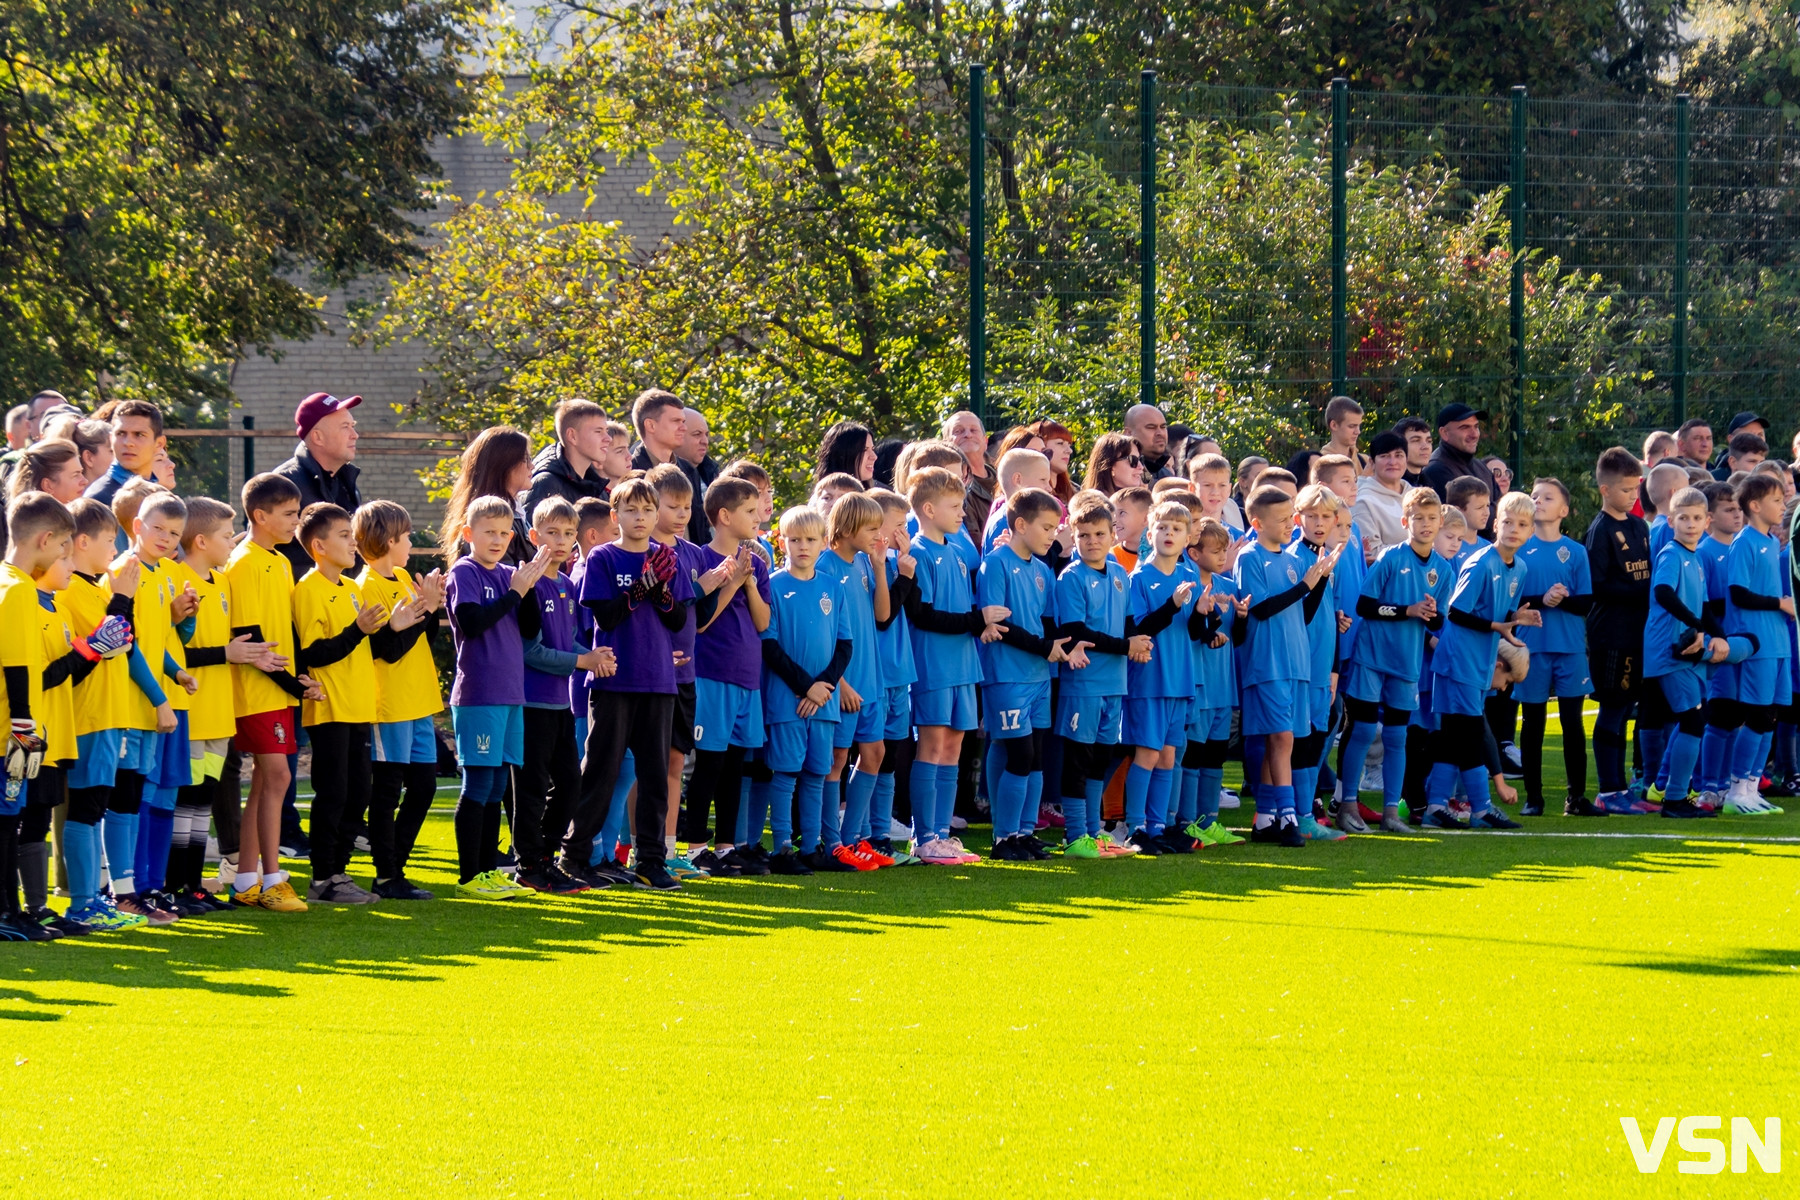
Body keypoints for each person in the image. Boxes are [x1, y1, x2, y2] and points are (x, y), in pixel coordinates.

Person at [567, 475, 693, 891]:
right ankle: (576, 856)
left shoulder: (666, 556)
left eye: (647, 510)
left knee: (655, 776)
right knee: (600, 770)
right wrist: (640, 589)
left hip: (659, 680)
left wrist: (661, 594)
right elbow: (605, 617)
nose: (640, 518)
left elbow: (677, 620)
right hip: (614, 681)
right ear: (615, 514)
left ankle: (652, 860)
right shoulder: (603, 557)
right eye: (631, 510)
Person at [445, 495, 551, 899]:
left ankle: (488, 872)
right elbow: (472, 623)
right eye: (489, 531)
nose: (498, 539)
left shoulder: (511, 573)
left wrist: (527, 588)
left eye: (505, 532)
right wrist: (513, 593)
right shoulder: (465, 572)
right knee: (477, 785)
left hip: (510, 695)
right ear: (469, 534)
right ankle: (470, 876)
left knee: (495, 788)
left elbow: (529, 629)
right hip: (479, 694)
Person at [1419, 492, 1539, 830]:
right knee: (1468, 733)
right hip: (1458, 660)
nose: (1514, 529)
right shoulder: (1481, 561)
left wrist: (1515, 619)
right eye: (1508, 522)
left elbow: (1498, 613)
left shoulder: (1521, 567)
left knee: (1456, 736)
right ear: (1495, 524)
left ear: (1530, 531)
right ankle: (1481, 809)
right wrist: (1498, 625)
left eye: (1523, 524)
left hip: (1479, 662)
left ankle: (1437, 807)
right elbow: (1456, 612)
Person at [904, 466, 1004, 864]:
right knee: (931, 746)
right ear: (928, 509)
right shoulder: (918, 553)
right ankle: (922, 837)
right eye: (955, 506)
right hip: (933, 666)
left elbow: (962, 611)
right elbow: (924, 615)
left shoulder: (956, 552)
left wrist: (981, 627)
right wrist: (976, 621)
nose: (963, 513)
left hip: (963, 665)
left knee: (954, 747)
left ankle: (942, 835)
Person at [224, 473, 316, 911]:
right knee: (278, 777)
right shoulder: (242, 562)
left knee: (265, 782)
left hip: (278, 690)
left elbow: (286, 630)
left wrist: (298, 680)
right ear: (260, 516)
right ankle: (273, 877)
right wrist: (289, 683)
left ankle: (246, 880)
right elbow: (249, 635)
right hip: (255, 691)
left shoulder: (279, 561)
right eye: (289, 514)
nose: (296, 521)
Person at [515, 497, 614, 894]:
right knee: (532, 788)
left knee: (571, 784)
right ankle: (528, 864)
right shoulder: (527, 584)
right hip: (531, 702)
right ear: (533, 536)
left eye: (568, 533)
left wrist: (595, 655)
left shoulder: (568, 585)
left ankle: (547, 859)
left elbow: (571, 640)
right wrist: (582, 661)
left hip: (559, 703)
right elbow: (531, 651)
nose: (560, 541)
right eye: (551, 533)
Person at [1337, 486, 1447, 833]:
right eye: (1418, 518)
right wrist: (1407, 610)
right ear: (1405, 521)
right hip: (1372, 656)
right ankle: (1348, 806)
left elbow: (1440, 620)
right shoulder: (1391, 558)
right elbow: (1365, 606)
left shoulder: (1443, 569)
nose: (1426, 524)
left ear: (1441, 522)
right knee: (1366, 729)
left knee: (1398, 737)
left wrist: (1429, 615)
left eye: (1432, 518)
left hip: (1407, 661)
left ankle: (1390, 813)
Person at [291, 502, 386, 904]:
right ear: (319, 546)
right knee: (333, 793)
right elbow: (315, 653)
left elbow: (369, 642)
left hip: (360, 706)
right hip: (329, 707)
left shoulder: (351, 588)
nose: (354, 542)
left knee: (358, 794)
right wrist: (358, 629)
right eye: (344, 536)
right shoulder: (308, 589)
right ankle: (323, 878)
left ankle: (340, 873)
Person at [354, 501, 446, 900]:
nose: (411, 542)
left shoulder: (406, 577)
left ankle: (397, 869)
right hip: (388, 704)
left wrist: (431, 610)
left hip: (419, 701)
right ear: (389, 540)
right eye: (407, 536)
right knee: (388, 790)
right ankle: (386, 875)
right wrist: (421, 612)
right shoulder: (366, 586)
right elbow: (387, 650)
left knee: (424, 787)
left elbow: (425, 639)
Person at [646, 462, 733, 879]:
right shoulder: (644, 550)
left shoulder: (694, 553)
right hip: (650, 673)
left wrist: (724, 585)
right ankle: (635, 847)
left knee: (677, 761)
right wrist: (705, 586)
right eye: (673, 506)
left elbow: (697, 619)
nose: (682, 514)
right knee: (646, 764)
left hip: (686, 673)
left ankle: (667, 848)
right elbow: (667, 607)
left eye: (687, 506)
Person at [1235, 483, 1335, 845]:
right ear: (1256, 522)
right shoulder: (1249, 557)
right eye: (1282, 519)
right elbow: (1260, 607)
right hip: (1268, 663)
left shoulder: (1294, 561)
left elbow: (1303, 612)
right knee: (1282, 738)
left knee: (1280, 739)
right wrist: (1305, 586)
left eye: (1291, 516)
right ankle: (1288, 816)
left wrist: (1319, 581)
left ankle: (1264, 819)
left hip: (1295, 664)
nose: (1290, 523)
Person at [682, 476, 772, 877]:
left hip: (746, 678)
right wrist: (729, 582)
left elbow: (763, 621)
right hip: (712, 675)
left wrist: (749, 583)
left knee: (736, 765)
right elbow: (699, 625)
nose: (758, 517)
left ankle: (725, 847)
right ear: (724, 515)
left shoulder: (757, 561)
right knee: (710, 764)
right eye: (750, 511)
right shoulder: (700, 560)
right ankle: (696, 847)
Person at [978, 488, 1073, 860]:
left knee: (1033, 757)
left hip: (1038, 674)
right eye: (1047, 527)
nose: (1053, 535)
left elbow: (1047, 622)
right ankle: (1004, 838)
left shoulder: (1043, 569)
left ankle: (1023, 832)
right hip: (1007, 674)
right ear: (1020, 524)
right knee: (1018, 753)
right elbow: (999, 623)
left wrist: (1061, 648)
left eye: (1055, 527)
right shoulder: (996, 563)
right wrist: (1045, 648)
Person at [760, 505, 853, 873]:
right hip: (788, 701)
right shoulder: (773, 584)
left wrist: (823, 687)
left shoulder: (832, 587)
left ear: (823, 543)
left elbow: (845, 644)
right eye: (794, 539)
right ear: (782, 542)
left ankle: (812, 846)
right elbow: (770, 645)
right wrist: (805, 688)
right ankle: (782, 847)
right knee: (785, 773)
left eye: (810, 539)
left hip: (824, 702)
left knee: (817, 772)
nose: (802, 546)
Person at [1052, 493, 1141, 858]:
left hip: (1113, 683)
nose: (1092, 541)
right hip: (1084, 684)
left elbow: (1129, 622)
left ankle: (1093, 833)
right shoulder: (1071, 577)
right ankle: (1075, 836)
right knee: (1079, 759)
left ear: (1113, 535)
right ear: (1074, 535)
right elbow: (1076, 631)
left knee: (1100, 760)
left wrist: (1140, 644)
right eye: (1084, 535)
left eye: (1099, 534)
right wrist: (1127, 646)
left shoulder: (1120, 574)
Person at [1702, 472, 1792, 816]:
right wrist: (1779, 604)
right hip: (1757, 644)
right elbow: (1737, 593)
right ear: (1755, 506)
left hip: (1779, 641)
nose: (1783, 506)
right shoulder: (1745, 541)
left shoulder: (1771, 542)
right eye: (1776, 500)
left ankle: (1752, 788)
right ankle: (1736, 789)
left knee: (1770, 716)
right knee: (1755, 716)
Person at [0, 492, 67, 940]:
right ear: (44, 539)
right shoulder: (21, 588)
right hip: (9, 731)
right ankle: (8, 914)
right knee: (6, 824)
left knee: (9, 823)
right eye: (63, 547)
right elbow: (18, 663)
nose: (64, 555)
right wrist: (23, 724)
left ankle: (13, 909)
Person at [816, 493, 892, 870]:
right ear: (846, 529)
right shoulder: (824, 566)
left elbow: (882, 616)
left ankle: (853, 838)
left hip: (871, 679)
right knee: (837, 758)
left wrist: (879, 567)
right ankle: (831, 841)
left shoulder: (865, 562)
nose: (879, 535)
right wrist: (839, 682)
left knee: (874, 753)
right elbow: (823, 632)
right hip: (842, 683)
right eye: (872, 528)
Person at [1119, 499, 1199, 854]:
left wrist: (1209, 616)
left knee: (1168, 756)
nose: (1169, 534)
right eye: (1163, 528)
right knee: (1147, 754)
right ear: (1150, 533)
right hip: (1150, 679)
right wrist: (1173, 606)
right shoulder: (1139, 578)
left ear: (1187, 538)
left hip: (1180, 678)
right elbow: (1140, 629)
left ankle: (1158, 825)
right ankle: (1135, 827)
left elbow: (1193, 631)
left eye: (1177, 529)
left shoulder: (1189, 577)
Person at [1644, 486, 1728, 819]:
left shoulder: (1695, 558)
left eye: (1696, 518)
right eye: (1683, 518)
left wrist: (1720, 636)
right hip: (1670, 650)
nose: (1690, 524)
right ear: (1670, 520)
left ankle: (1670, 790)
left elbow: (1704, 606)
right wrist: (1697, 625)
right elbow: (1663, 592)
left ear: (1707, 521)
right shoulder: (1671, 553)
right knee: (1692, 721)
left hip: (1689, 651)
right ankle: (1674, 799)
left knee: (1692, 719)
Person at [1514, 478, 1594, 817]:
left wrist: (1561, 600)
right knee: (1532, 723)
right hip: (1531, 647)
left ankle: (1575, 798)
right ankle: (1534, 798)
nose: (1539, 501)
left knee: (1572, 723)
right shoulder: (1519, 549)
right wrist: (1542, 600)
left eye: (1547, 497)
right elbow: (1513, 599)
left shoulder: (1576, 552)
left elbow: (1586, 602)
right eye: (1534, 496)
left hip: (1570, 647)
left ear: (1564, 510)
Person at [1584, 447, 1651, 815]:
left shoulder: (1639, 526)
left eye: (1636, 489)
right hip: (1611, 635)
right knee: (1612, 708)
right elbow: (1598, 586)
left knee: (1627, 707)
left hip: (1638, 633)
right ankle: (1608, 790)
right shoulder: (1600, 531)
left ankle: (1623, 787)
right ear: (1606, 490)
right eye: (1626, 490)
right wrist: (1643, 591)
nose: (1633, 496)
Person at [1287, 485, 1349, 841]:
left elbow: (1328, 617)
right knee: (1302, 739)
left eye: (1327, 516)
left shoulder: (1327, 559)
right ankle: (1300, 814)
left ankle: (1305, 814)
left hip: (1322, 667)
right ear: (1299, 519)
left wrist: (1335, 670)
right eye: (1313, 516)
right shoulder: (1297, 559)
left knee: (1315, 737)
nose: (1320, 523)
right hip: (1300, 665)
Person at [272, 392, 362, 580]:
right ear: (318, 437)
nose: (355, 435)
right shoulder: (284, 483)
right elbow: (264, 553)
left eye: (353, 426)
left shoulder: (347, 482)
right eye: (345, 427)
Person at [440, 426, 534, 568]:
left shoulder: (517, 513)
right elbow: (501, 582)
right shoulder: (485, 519)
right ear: (504, 465)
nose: (532, 466)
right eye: (525, 459)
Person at [630, 388, 710, 543]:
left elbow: (700, 529)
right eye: (676, 421)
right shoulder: (631, 473)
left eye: (683, 421)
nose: (684, 427)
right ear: (651, 426)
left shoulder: (689, 470)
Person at [83, 400, 164, 550]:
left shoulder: (160, 494)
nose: (128, 442)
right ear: (110, 438)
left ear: (159, 444)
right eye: (121, 434)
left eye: (139, 435)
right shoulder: (99, 500)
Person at [523, 398, 612, 516]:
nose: (608, 439)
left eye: (606, 431)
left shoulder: (597, 488)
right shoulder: (546, 484)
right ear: (572, 436)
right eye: (598, 431)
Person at [1419, 403, 1498, 533]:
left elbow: (1504, 509)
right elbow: (1457, 519)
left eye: (1476, 427)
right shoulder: (1436, 470)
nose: (1474, 434)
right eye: (1465, 427)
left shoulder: (1481, 467)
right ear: (1444, 433)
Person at [942, 410, 996, 546]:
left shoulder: (1005, 477)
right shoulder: (947, 487)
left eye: (973, 430)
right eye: (958, 431)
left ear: (985, 441)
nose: (967, 435)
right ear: (946, 442)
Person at [1354, 430, 1410, 554]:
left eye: (1398, 455)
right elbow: (1372, 553)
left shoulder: (1418, 496)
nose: (1393, 462)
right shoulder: (1363, 501)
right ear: (1372, 463)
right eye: (1384, 456)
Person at [1027, 419, 1077, 503]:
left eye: (1069, 445)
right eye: (1060, 443)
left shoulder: (1075, 491)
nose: (1069, 450)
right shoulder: (1032, 494)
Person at [815, 421, 877, 489]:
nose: (874, 457)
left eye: (872, 449)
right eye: (864, 449)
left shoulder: (875, 497)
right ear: (842, 455)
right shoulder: (826, 497)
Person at [1121, 403, 1173, 480]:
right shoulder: (1122, 475)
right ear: (1128, 433)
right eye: (1151, 427)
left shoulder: (1165, 474)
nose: (1160, 433)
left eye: (1163, 427)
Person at [1321, 395, 1368, 472]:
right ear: (1334, 425)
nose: (1358, 432)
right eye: (1352, 426)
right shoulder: (1321, 465)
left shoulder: (1365, 461)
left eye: (1359, 426)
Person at [680, 407, 721, 487]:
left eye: (706, 435)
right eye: (697, 434)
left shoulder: (712, 473)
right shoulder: (659, 478)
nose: (705, 441)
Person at [1392, 416, 1434, 487]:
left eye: (1428, 441)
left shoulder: (1429, 481)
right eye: (1416, 440)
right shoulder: (1395, 485)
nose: (1425, 447)